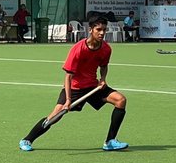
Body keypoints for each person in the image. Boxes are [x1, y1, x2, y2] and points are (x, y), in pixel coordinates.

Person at [18, 16, 128, 152]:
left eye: (104, 30)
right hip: (74, 88)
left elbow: (103, 66)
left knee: (120, 100)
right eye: (98, 29)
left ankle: (110, 141)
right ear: (90, 30)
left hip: (93, 87)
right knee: (55, 116)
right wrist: (68, 100)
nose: (101, 33)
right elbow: (68, 76)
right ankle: (27, 139)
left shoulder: (106, 49)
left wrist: (103, 78)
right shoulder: (78, 49)